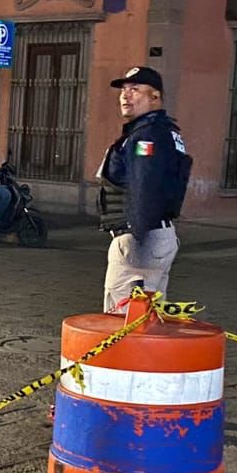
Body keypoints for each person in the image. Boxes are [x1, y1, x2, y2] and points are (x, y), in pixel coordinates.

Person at [96, 65, 191, 310]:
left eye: (135, 90)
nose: (126, 96)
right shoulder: (164, 131)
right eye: (124, 90)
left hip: (140, 238)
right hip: (158, 235)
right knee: (149, 320)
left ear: (155, 97)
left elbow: (145, 184)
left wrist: (139, 237)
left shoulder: (146, 135)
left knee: (123, 319)